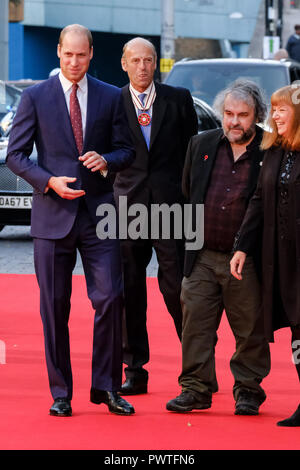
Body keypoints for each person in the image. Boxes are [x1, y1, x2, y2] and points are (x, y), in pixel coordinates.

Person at [6, 24, 136, 417]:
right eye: (68, 55)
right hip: (52, 217)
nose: (75, 62)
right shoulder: (35, 97)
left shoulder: (112, 96)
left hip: (99, 216)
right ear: (58, 53)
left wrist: (106, 160)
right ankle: (61, 392)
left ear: (91, 53)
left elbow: (126, 149)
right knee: (54, 306)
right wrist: (48, 182)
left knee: (111, 298)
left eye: (82, 55)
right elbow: (15, 155)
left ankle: (107, 387)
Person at [166, 79, 271, 415]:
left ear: (256, 116)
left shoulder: (269, 151)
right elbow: (188, 191)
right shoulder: (201, 144)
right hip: (202, 256)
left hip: (247, 260)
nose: (233, 121)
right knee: (194, 324)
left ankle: (249, 391)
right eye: (228, 113)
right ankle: (195, 389)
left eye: (242, 115)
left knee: (249, 329)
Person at [113, 37, 198, 395]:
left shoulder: (178, 99)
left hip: (171, 206)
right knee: (129, 290)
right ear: (124, 64)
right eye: (136, 60)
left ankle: (195, 367)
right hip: (126, 207)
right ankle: (135, 370)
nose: (143, 67)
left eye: (149, 60)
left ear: (156, 64)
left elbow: (194, 154)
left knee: (177, 287)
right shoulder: (111, 101)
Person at [231, 84, 300, 427]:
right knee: (297, 331)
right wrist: (243, 245)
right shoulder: (274, 151)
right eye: (273, 109)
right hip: (283, 259)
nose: (274, 116)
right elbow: (258, 201)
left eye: (281, 110)